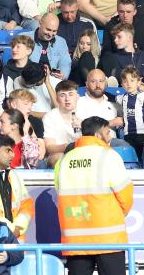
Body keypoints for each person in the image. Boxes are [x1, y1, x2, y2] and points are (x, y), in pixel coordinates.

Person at [53, 116, 133, 275]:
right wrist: (119, 213)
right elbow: (125, 194)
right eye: (108, 132)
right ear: (98, 135)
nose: (110, 137)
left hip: (75, 238)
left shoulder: (64, 160)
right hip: (108, 238)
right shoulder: (109, 155)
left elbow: (58, 190)